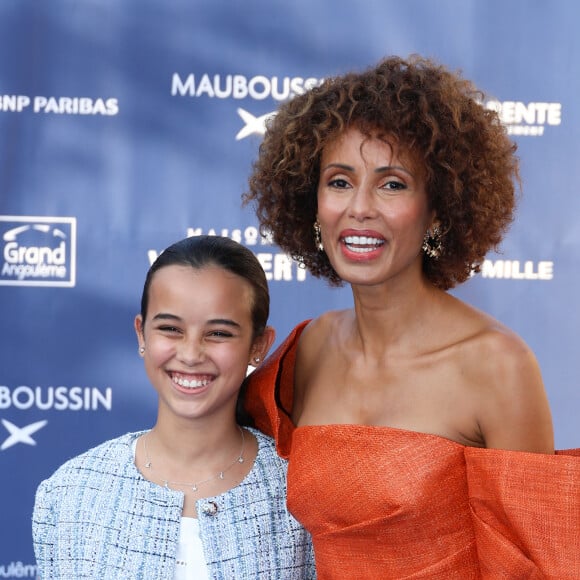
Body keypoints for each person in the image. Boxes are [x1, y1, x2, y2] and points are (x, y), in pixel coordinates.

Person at [242, 55, 580, 579]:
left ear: (438, 209)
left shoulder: (496, 365)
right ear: (312, 205)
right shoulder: (305, 351)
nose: (360, 207)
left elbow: (537, 565)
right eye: (339, 181)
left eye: (392, 183)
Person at [32, 235, 316, 579]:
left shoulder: (301, 495)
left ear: (259, 345)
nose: (191, 354)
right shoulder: (69, 495)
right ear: (142, 335)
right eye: (170, 329)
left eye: (219, 334)